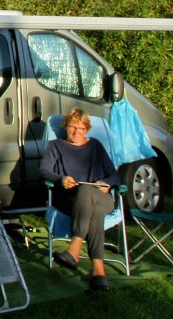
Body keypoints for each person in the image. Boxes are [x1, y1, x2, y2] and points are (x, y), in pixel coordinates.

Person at [39, 108, 121, 292]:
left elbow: (115, 175)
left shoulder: (95, 146)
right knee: (94, 209)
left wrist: (106, 183)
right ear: (65, 126)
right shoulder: (55, 146)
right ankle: (98, 272)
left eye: (81, 128)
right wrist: (60, 179)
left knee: (87, 191)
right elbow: (43, 171)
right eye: (72, 127)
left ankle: (74, 249)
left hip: (101, 197)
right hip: (70, 201)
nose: (76, 131)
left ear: (87, 130)